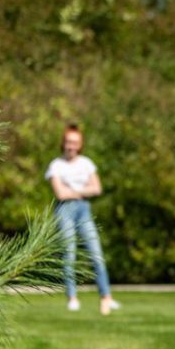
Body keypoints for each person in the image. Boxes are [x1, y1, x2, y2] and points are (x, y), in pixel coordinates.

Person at [45, 124, 119, 312]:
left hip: (84, 210)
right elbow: (60, 194)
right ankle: (72, 297)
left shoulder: (86, 163)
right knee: (69, 254)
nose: (72, 146)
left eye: (75, 142)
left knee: (96, 253)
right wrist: (82, 190)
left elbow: (97, 188)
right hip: (64, 211)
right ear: (63, 143)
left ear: (80, 144)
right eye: (69, 142)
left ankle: (106, 296)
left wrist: (73, 190)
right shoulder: (56, 165)